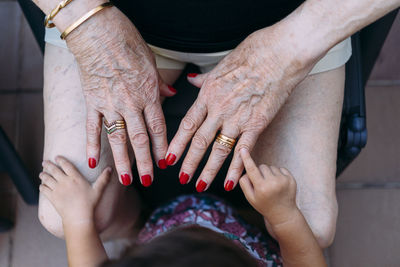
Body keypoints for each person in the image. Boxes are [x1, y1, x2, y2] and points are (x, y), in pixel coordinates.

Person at [32, 0, 400, 248]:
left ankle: (141, 233)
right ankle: (231, 238)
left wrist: (287, 53)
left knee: (63, 216)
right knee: (310, 226)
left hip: (297, 20)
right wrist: (87, 24)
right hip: (102, 13)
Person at [39, 148, 327, 267]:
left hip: (159, 222)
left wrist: (77, 220)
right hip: (247, 226)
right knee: (318, 227)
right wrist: (283, 214)